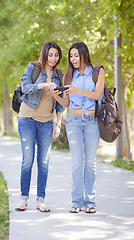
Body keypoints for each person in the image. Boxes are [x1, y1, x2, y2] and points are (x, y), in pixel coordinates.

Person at [52, 41, 105, 213]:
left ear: (84, 54)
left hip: (91, 122)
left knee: (90, 163)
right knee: (76, 163)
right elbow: (66, 103)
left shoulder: (97, 72)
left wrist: (77, 90)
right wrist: (57, 97)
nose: (73, 59)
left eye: (76, 55)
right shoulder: (67, 75)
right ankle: (76, 202)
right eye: (71, 56)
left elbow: (97, 95)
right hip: (74, 122)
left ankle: (90, 202)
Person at [15, 41, 64, 212]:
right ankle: (23, 199)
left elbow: (60, 104)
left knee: (43, 162)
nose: (53, 58)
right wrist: (43, 84)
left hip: (46, 123)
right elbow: (25, 87)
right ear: (44, 54)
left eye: (56, 55)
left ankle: (40, 200)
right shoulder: (33, 68)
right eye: (50, 54)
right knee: (27, 160)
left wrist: (58, 124)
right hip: (27, 119)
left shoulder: (59, 75)